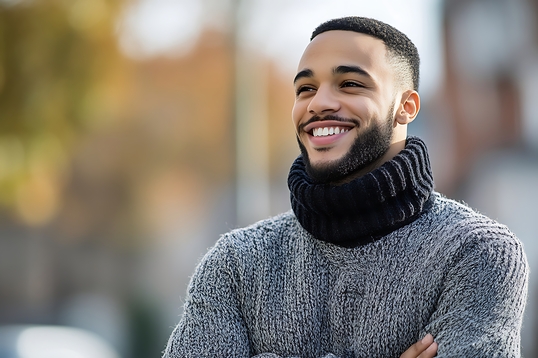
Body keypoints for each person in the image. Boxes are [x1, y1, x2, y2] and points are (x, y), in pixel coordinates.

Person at [163, 16, 528, 357]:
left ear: (406, 107)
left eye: (350, 84)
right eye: (305, 88)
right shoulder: (235, 266)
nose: (318, 103)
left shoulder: (477, 254)